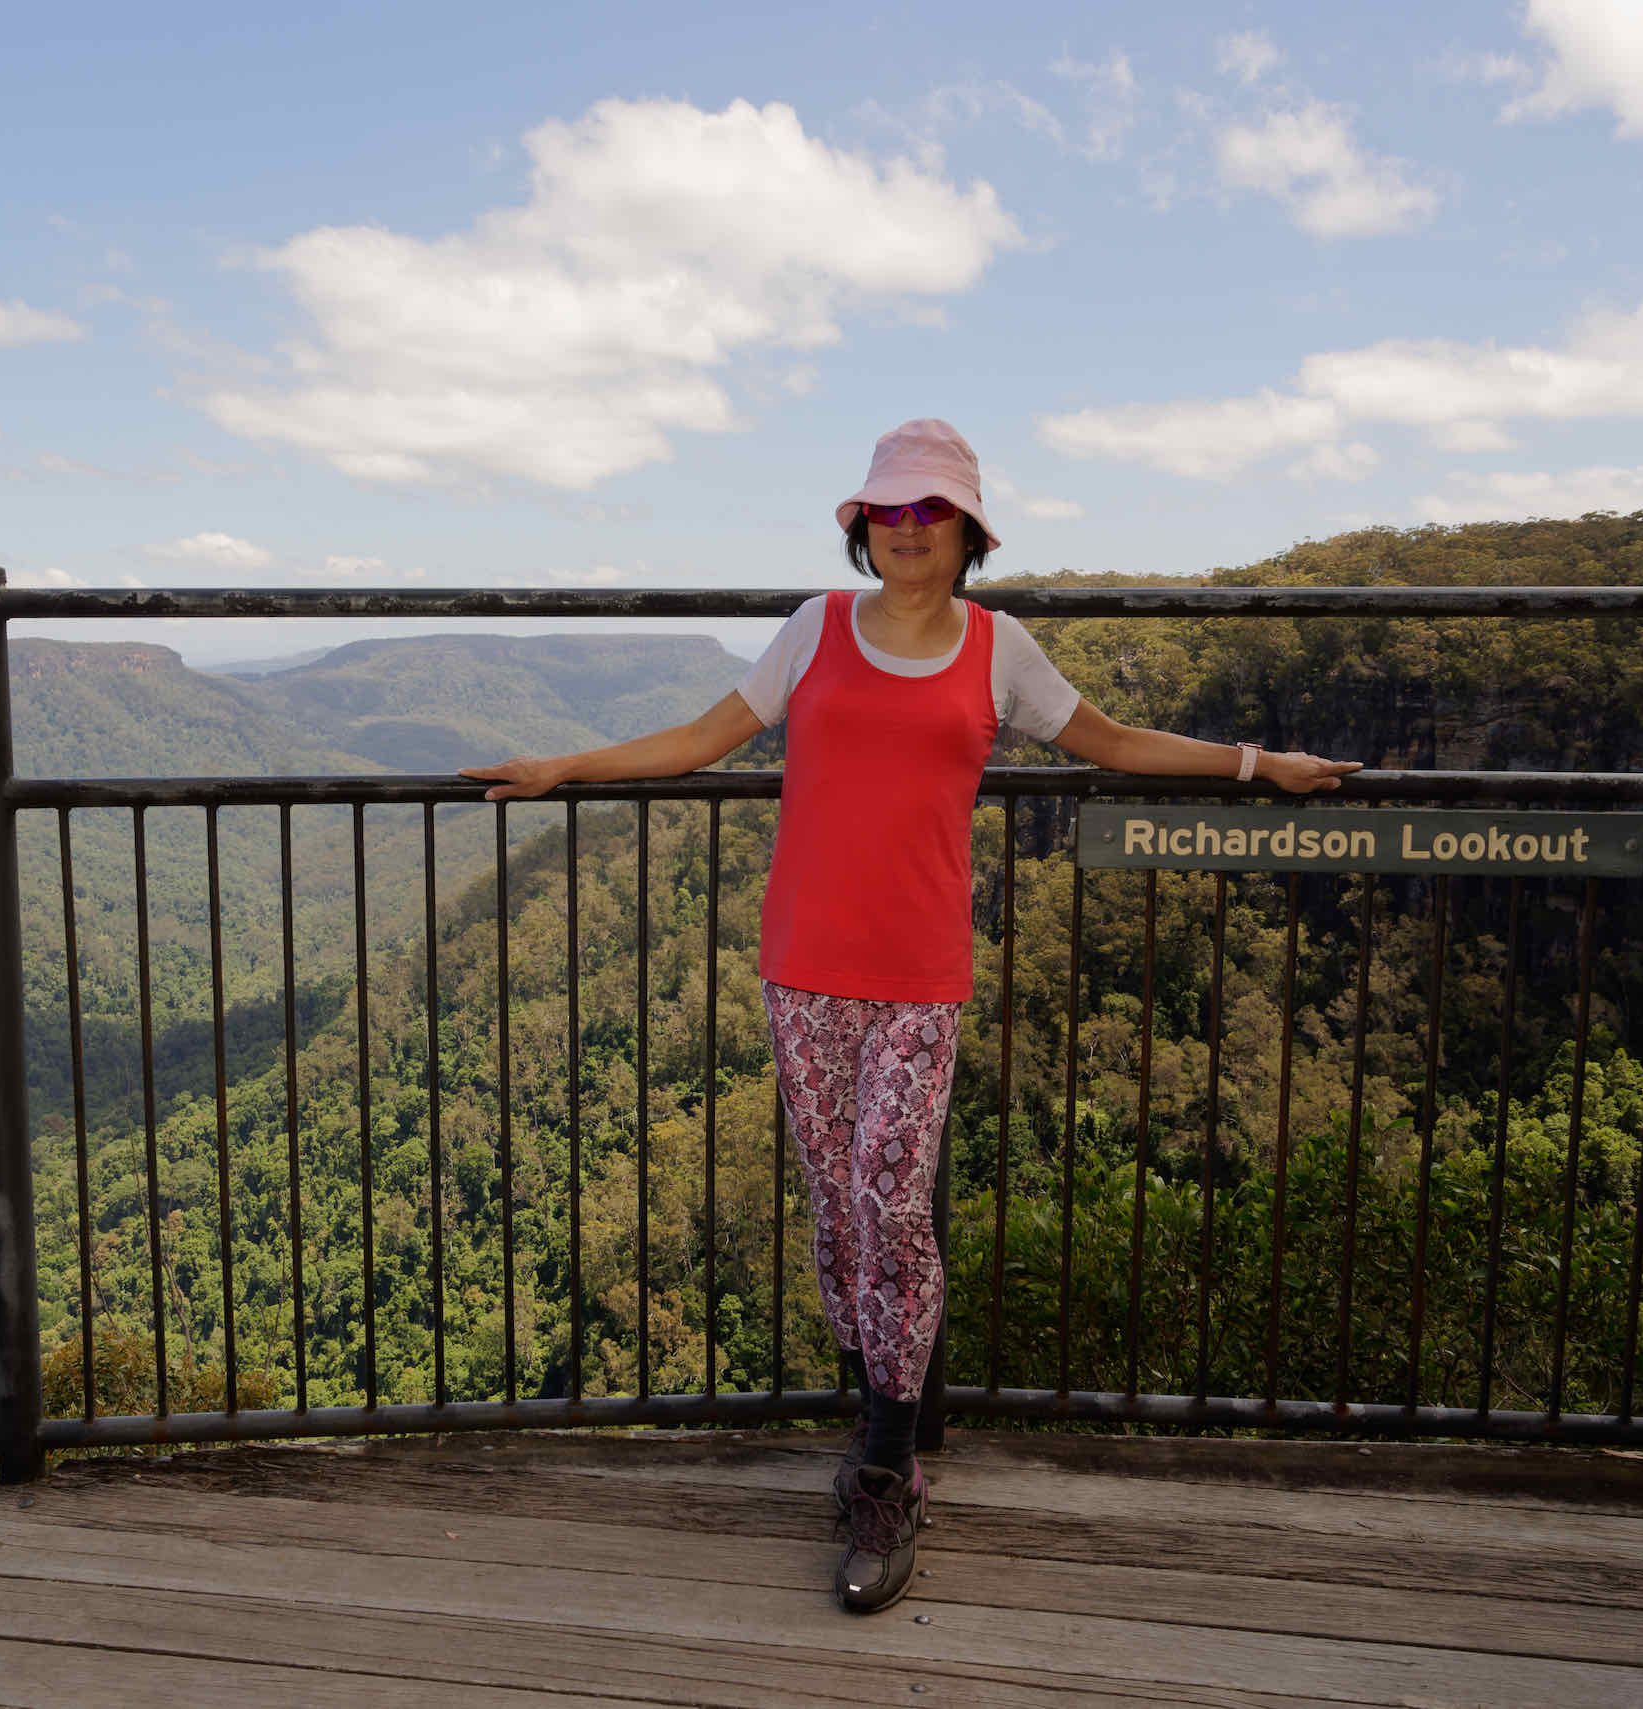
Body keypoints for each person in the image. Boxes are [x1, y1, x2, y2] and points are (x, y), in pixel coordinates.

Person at [460, 418, 1358, 1615]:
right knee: (840, 1212)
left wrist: (1258, 764)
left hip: (919, 977)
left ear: (968, 532)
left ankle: (887, 1463)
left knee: (894, 1204)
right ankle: (879, 1399)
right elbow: (703, 738)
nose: (905, 529)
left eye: (929, 513)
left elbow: (1111, 742)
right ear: (860, 527)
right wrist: (564, 769)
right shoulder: (813, 630)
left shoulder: (998, 648)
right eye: (886, 512)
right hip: (804, 968)